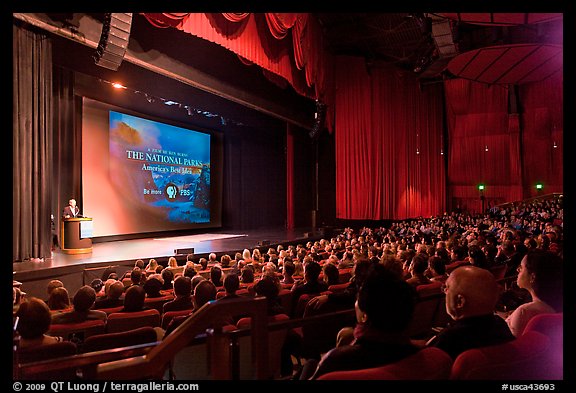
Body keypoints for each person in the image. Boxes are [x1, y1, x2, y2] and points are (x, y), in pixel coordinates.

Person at [301, 264, 420, 379]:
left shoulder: (335, 360)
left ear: (364, 316)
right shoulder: (430, 354)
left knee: (310, 364)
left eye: (357, 299)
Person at [427, 266, 515, 359]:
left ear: (459, 301)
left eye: (447, 287)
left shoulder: (448, 340)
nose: (444, 291)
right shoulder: (501, 326)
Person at [504, 250, 563, 337]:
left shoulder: (525, 312)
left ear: (532, 277)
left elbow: (510, 347)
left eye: (521, 267)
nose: (517, 270)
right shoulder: (554, 306)